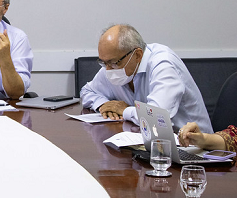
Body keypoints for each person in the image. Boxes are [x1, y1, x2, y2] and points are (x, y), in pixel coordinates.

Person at [80, 24, 213, 133]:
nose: (108, 70)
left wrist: (125, 110)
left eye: (114, 63)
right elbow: (87, 91)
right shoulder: (114, 65)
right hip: (151, 144)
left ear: (137, 55)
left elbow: (158, 119)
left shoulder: (163, 63)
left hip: (197, 151)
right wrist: (104, 105)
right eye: (104, 63)